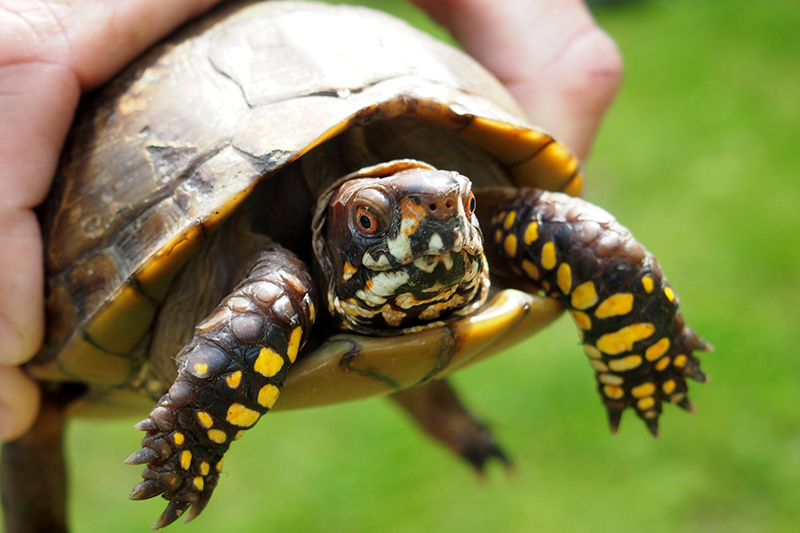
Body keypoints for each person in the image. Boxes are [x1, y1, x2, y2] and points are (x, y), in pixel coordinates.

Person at [0, 0, 622, 442]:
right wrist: (187, 445)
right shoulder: (272, 290)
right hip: (181, 279)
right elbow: (263, 311)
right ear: (334, 236)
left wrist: (636, 344)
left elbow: (592, 247)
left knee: (587, 243)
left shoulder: (477, 217)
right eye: (374, 222)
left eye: (453, 204)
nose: (433, 218)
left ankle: (446, 415)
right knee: (33, 426)